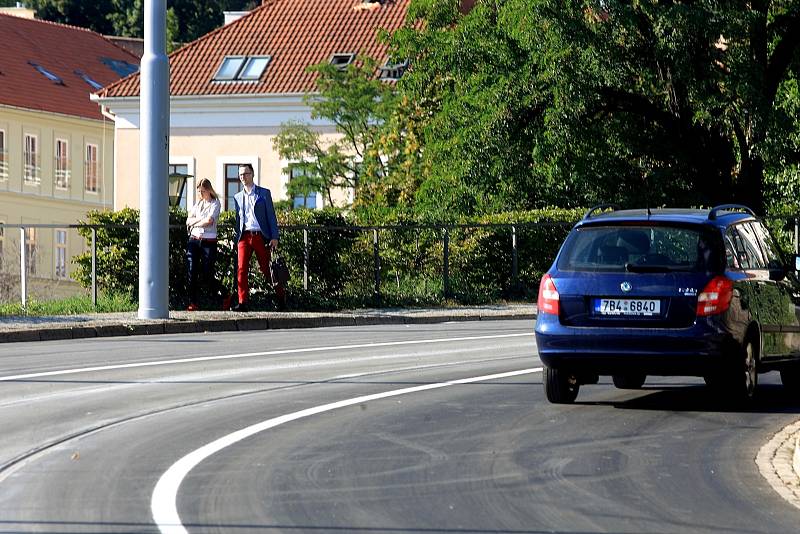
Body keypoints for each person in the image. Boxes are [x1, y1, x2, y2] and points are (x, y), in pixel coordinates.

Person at [232, 163, 287, 312]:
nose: (243, 177)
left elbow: (271, 216)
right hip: (244, 236)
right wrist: (236, 238)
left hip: (260, 236)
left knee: (267, 269)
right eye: (241, 174)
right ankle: (243, 302)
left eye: (246, 174)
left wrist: (274, 236)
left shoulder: (263, 193)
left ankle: (281, 297)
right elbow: (239, 220)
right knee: (241, 269)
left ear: (252, 174)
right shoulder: (237, 197)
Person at [185, 178, 222, 311]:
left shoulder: (215, 204)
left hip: (208, 241)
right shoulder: (198, 204)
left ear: (209, 190)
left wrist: (195, 221)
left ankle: (223, 295)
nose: (201, 194)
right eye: (199, 191)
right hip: (194, 240)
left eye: (203, 191)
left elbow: (209, 221)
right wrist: (198, 220)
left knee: (208, 273)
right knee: (191, 270)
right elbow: (188, 220)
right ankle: (192, 302)